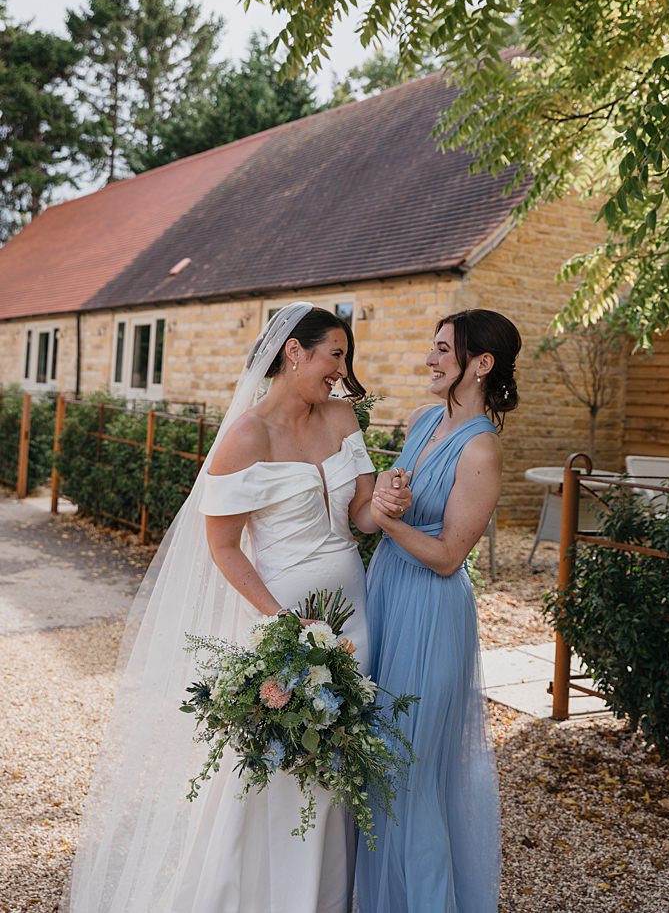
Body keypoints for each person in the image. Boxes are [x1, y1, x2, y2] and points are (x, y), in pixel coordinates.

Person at [67, 304, 387, 912]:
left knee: (337, 760)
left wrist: (389, 500)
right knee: (279, 765)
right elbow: (222, 546)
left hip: (354, 616)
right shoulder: (247, 437)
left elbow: (361, 516)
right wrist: (283, 624)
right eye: (335, 355)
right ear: (294, 352)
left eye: (344, 358)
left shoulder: (343, 417)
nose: (342, 371)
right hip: (284, 623)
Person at [354, 308, 520, 910]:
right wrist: (386, 496)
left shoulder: (482, 451)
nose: (431, 358)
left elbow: (449, 555)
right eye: (433, 347)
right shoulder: (424, 421)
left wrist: (386, 522)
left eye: (444, 350)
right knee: (372, 758)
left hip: (430, 610)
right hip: (388, 594)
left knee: (410, 771)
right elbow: (394, 497)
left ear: (481, 364)